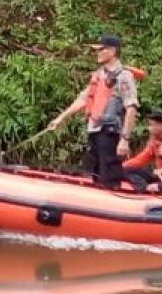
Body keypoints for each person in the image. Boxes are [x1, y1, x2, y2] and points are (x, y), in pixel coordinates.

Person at [48, 34, 140, 187]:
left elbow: (131, 107)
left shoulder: (123, 76)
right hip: (95, 131)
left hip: (110, 132)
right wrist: (60, 119)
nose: (96, 53)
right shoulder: (99, 75)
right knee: (96, 172)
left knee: (108, 174)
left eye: (100, 50)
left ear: (112, 51)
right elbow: (83, 99)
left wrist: (125, 139)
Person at [122, 110, 162, 188]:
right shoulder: (154, 141)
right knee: (127, 169)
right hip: (159, 175)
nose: (149, 128)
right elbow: (139, 160)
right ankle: (143, 189)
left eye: (151, 125)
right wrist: (121, 166)